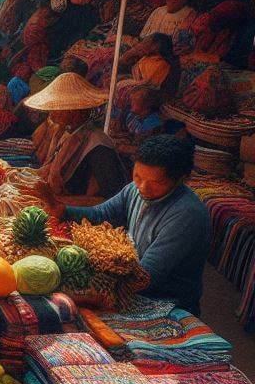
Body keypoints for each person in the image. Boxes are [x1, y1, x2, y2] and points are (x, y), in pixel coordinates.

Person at [63, 135, 211, 316]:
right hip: (136, 284)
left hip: (167, 302)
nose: (143, 187)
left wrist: (93, 292)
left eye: (156, 182)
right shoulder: (134, 190)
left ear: (180, 179)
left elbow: (147, 275)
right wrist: (63, 211)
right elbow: (101, 214)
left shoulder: (187, 214)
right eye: (137, 176)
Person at [24, 72, 128, 202]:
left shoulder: (98, 145)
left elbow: (109, 198)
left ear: (74, 111)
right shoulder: (65, 134)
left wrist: (59, 203)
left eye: (59, 107)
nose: (52, 112)